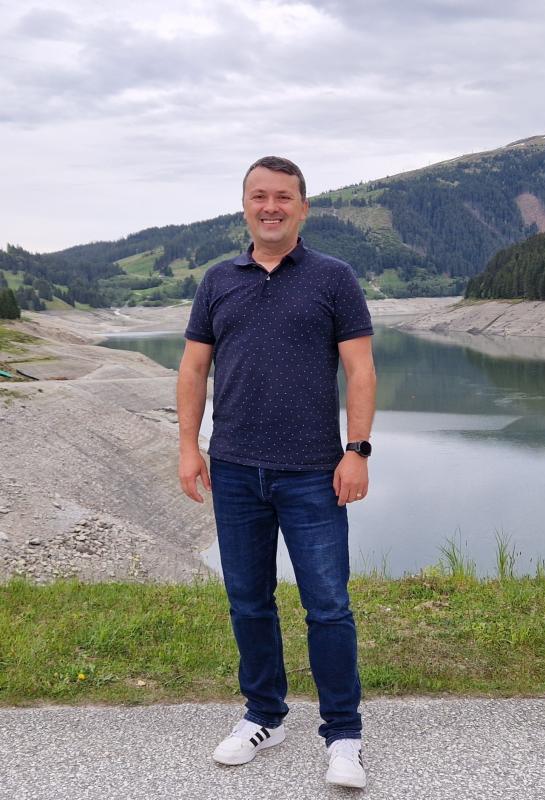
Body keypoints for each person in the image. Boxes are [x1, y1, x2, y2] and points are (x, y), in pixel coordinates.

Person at [177, 156, 376, 789]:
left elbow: (361, 371)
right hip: (235, 469)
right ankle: (264, 715)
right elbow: (193, 369)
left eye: (283, 197)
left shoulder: (333, 277)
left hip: (314, 471)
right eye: (259, 196)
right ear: (244, 207)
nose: (271, 207)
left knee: (329, 605)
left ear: (303, 207)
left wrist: (357, 450)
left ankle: (343, 734)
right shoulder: (218, 280)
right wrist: (189, 447)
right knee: (248, 601)